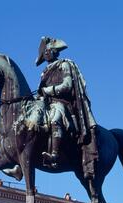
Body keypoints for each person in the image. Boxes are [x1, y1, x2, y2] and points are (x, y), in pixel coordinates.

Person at [35, 36, 98, 175]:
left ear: (54, 51)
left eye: (48, 50)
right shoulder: (44, 71)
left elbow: (68, 85)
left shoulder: (64, 65)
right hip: (47, 104)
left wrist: (48, 90)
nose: (46, 54)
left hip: (62, 103)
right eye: (44, 52)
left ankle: (55, 155)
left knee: (55, 117)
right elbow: (40, 91)